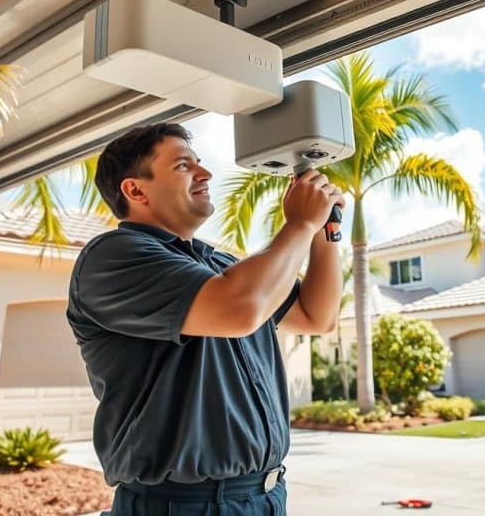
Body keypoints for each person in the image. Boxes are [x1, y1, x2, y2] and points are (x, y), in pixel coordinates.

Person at [66, 122, 344, 515]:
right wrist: (299, 223)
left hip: (265, 497)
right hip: (180, 505)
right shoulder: (114, 257)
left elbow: (318, 317)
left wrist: (324, 232)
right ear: (135, 190)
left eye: (199, 163)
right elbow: (241, 308)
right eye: (183, 166)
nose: (206, 173)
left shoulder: (218, 264)